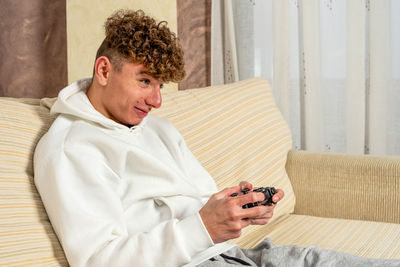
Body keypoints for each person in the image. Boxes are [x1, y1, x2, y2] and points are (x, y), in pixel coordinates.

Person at [34, 9, 400, 267]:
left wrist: (236, 207)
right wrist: (203, 227)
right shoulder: (71, 148)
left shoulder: (160, 130)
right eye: (144, 81)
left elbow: (199, 201)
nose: (157, 100)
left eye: (161, 86)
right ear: (103, 70)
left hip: (234, 255)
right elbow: (100, 260)